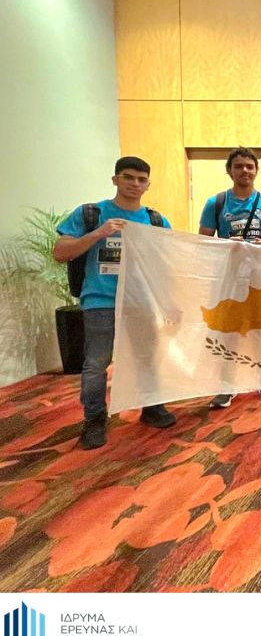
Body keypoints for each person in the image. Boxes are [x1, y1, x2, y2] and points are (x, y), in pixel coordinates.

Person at [53, 157, 176, 450]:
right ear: (115, 180)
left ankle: (151, 406)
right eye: (128, 177)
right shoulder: (92, 214)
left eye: (141, 179)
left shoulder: (155, 220)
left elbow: (168, 260)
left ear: (148, 184)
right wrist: (99, 233)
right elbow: (61, 252)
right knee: (96, 363)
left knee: (147, 357)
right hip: (100, 300)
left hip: (141, 301)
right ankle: (94, 419)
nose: (135, 184)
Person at [198, 147, 261, 409]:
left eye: (249, 166)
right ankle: (226, 386)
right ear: (229, 170)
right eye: (238, 166)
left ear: (256, 170)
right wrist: (226, 244)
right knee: (228, 333)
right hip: (228, 279)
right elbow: (203, 241)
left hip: (260, 278)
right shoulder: (216, 202)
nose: (244, 171)